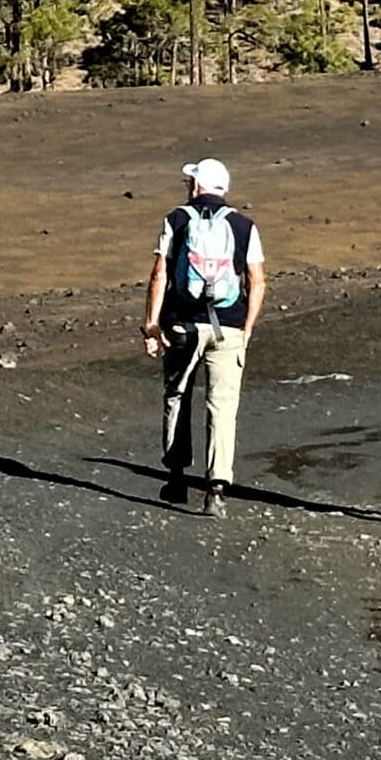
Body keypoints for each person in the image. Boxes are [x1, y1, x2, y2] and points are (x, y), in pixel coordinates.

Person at [143, 158, 265, 517]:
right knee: (223, 406)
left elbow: (159, 275)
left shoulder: (176, 219)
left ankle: (178, 478)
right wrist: (247, 328)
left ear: (197, 186)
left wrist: (152, 324)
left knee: (178, 395)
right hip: (228, 327)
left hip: (182, 326)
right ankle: (216, 489)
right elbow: (256, 280)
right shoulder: (244, 226)